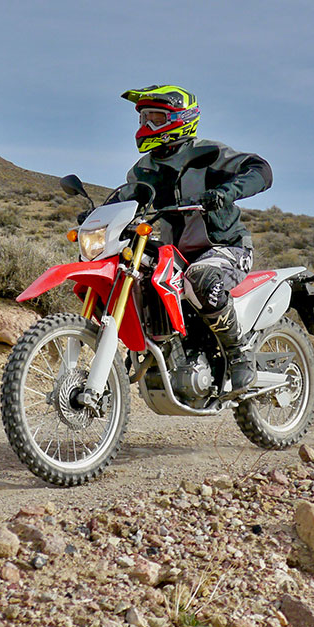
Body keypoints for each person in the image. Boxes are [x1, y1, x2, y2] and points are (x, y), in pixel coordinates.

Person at [109, 84, 272, 395]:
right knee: (134, 273)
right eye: (144, 118)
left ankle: (240, 355)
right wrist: (97, 215)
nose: (146, 126)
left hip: (226, 247)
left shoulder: (208, 155)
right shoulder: (143, 170)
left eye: (156, 118)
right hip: (177, 254)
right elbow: (124, 199)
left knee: (201, 277)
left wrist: (226, 193)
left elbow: (260, 170)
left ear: (181, 119)